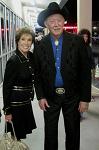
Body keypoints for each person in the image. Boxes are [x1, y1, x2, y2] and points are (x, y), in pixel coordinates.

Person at [34, 2, 91, 150]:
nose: (56, 24)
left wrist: (85, 99)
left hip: (73, 96)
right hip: (50, 97)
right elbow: (37, 74)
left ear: (64, 21)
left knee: (73, 132)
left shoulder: (77, 41)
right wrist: (40, 96)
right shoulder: (40, 45)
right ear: (46, 24)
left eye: (59, 20)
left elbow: (85, 72)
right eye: (52, 21)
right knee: (50, 134)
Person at [3, 27, 36, 140]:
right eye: (23, 39)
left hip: (26, 102)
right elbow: (6, 88)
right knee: (16, 136)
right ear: (17, 41)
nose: (26, 43)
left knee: (20, 135)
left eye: (29, 40)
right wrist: (7, 110)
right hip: (15, 105)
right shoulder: (14, 60)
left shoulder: (31, 57)